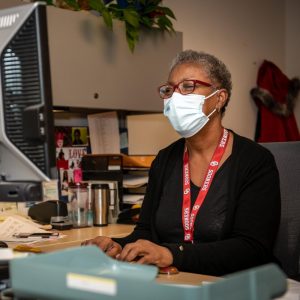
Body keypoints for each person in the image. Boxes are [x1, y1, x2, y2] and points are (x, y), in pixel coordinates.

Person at [82, 50, 281, 276]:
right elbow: (146, 232)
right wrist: (117, 245)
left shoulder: (255, 161)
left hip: (234, 286)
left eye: (188, 86)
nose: (175, 98)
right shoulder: (165, 159)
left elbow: (252, 249)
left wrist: (172, 254)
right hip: (177, 281)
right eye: (170, 89)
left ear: (219, 97)